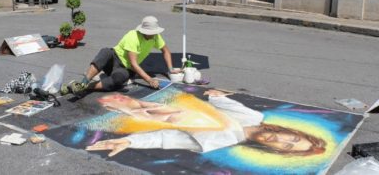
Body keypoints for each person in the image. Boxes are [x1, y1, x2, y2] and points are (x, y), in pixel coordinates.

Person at [86, 89, 325, 157]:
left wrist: (129, 141)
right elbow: (221, 101)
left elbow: (166, 138)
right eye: (293, 139)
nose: (282, 141)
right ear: (289, 130)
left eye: (287, 147)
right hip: (174, 102)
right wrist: (218, 94)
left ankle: (124, 107)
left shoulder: (218, 141)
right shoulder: (254, 117)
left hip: (159, 113)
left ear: (276, 151)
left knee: (140, 111)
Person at [61, 16, 181, 96]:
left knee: (119, 79)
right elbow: (134, 63)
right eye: (150, 33)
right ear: (143, 31)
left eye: (154, 32)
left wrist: (170, 69)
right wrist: (149, 80)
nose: (153, 35)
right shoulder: (133, 36)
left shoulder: (155, 37)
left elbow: (166, 51)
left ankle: (85, 87)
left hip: (125, 68)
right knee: (105, 52)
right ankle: (83, 82)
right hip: (114, 59)